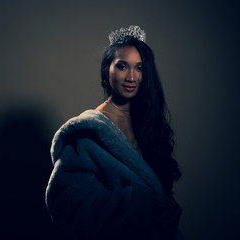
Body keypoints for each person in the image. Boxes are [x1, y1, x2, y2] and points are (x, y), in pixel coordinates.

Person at [45, 26, 183, 240]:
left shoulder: (148, 123)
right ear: (106, 71)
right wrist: (142, 205)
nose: (131, 76)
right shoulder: (88, 131)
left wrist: (168, 211)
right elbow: (68, 203)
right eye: (122, 66)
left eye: (139, 68)